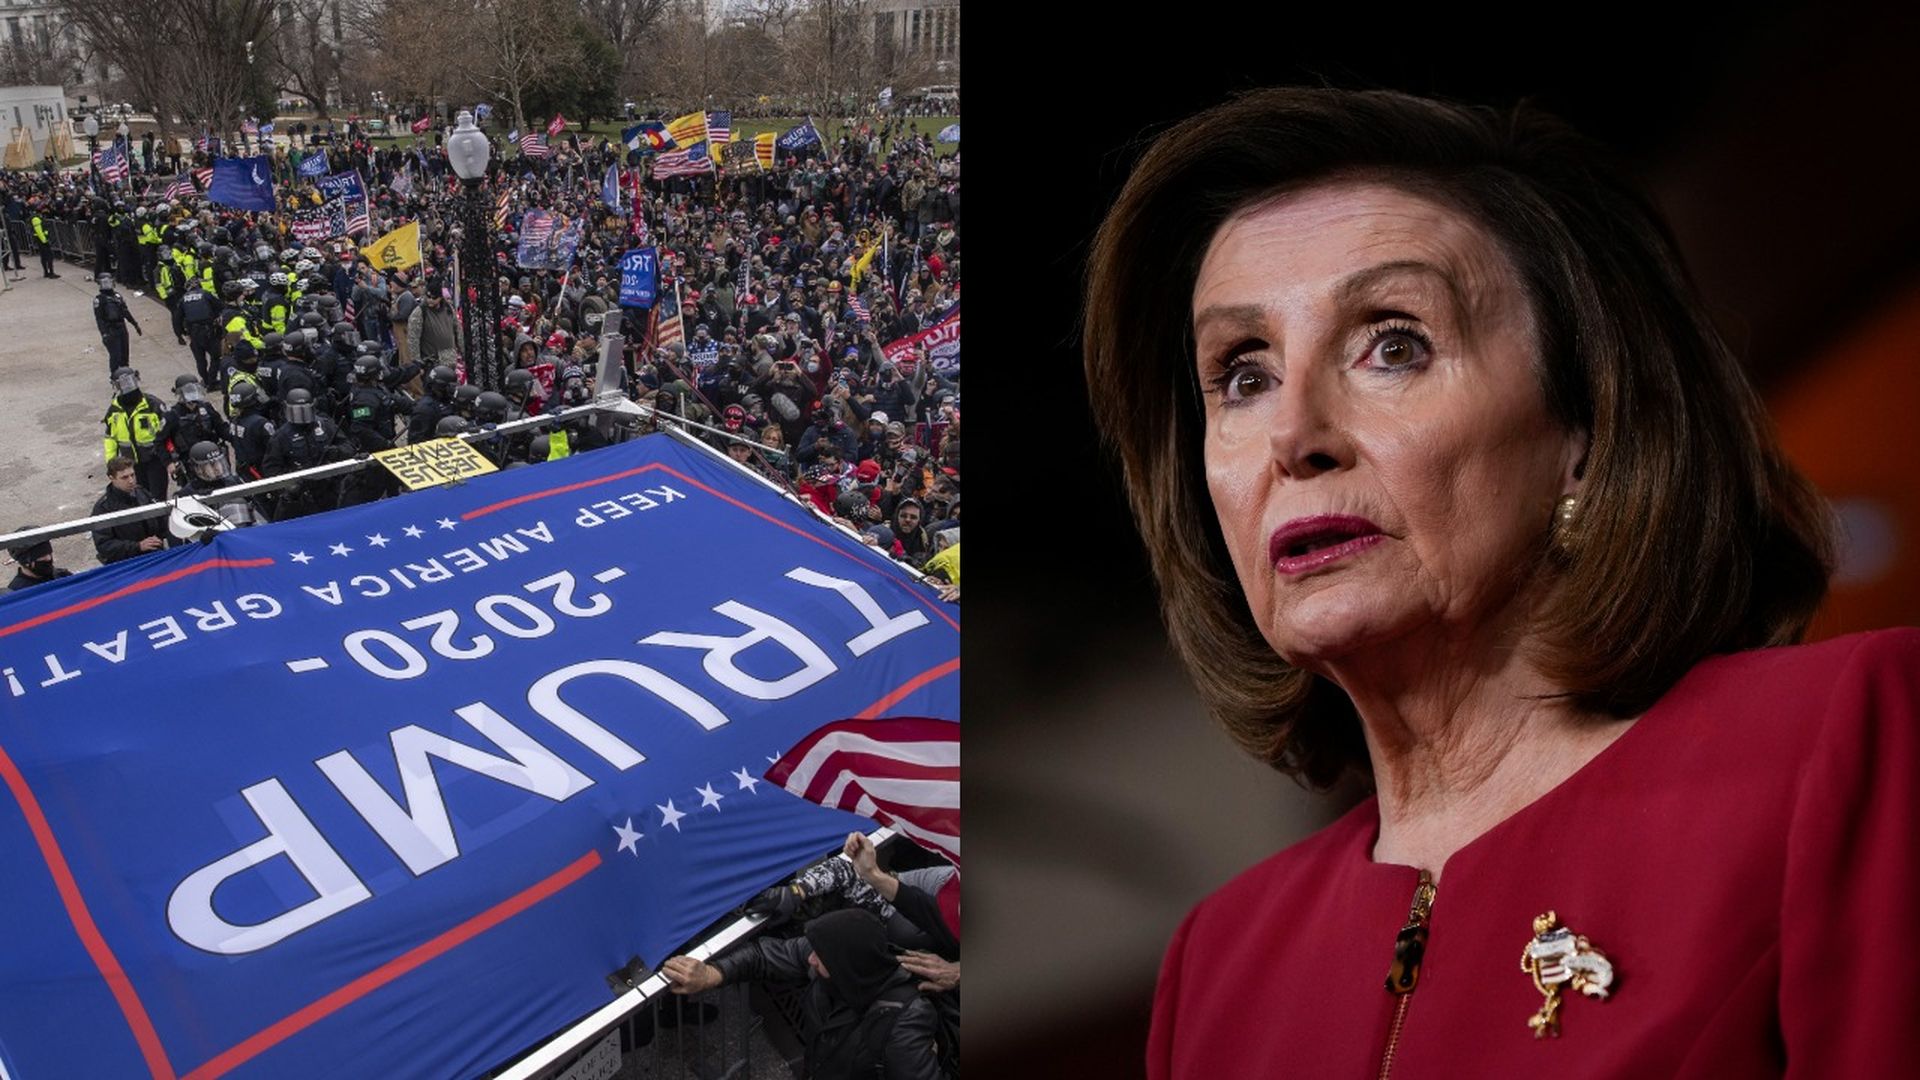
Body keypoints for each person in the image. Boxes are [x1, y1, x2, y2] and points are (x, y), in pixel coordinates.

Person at [1082, 87, 1916, 1078]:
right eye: (1244, 374)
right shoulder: (1221, 965)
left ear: (1586, 433)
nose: (1294, 437)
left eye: (1394, 345)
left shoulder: (1840, 736)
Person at [662, 909, 943, 1080]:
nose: (810, 959)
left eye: (819, 957)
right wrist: (712, 974)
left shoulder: (904, 1026)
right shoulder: (828, 956)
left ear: (846, 967)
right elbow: (764, 955)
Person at [101, 367, 170, 500]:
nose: (127, 388)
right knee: (138, 498)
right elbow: (110, 438)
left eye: (129, 382)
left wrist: (170, 459)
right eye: (121, 384)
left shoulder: (152, 405)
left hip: (154, 460)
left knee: (158, 498)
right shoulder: (114, 410)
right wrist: (111, 463)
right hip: (130, 465)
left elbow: (167, 432)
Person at [91, 456, 172, 564]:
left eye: (132, 475)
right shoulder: (103, 508)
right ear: (112, 478)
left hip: (154, 554)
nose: (131, 481)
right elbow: (104, 545)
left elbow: (161, 519)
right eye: (124, 477)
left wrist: (160, 536)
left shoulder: (141, 493)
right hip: (128, 563)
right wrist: (138, 546)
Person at [93, 272, 143, 377]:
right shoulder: (99, 300)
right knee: (115, 356)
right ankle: (115, 377)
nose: (107, 284)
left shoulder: (117, 296)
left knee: (125, 355)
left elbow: (125, 312)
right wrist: (104, 333)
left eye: (109, 282)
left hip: (122, 328)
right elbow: (99, 319)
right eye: (104, 282)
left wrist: (135, 324)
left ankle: (127, 375)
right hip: (110, 330)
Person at [6, 527, 71, 591]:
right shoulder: (17, 594)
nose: (48, 558)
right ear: (25, 561)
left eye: (49, 552)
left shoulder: (63, 576)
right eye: (41, 555)